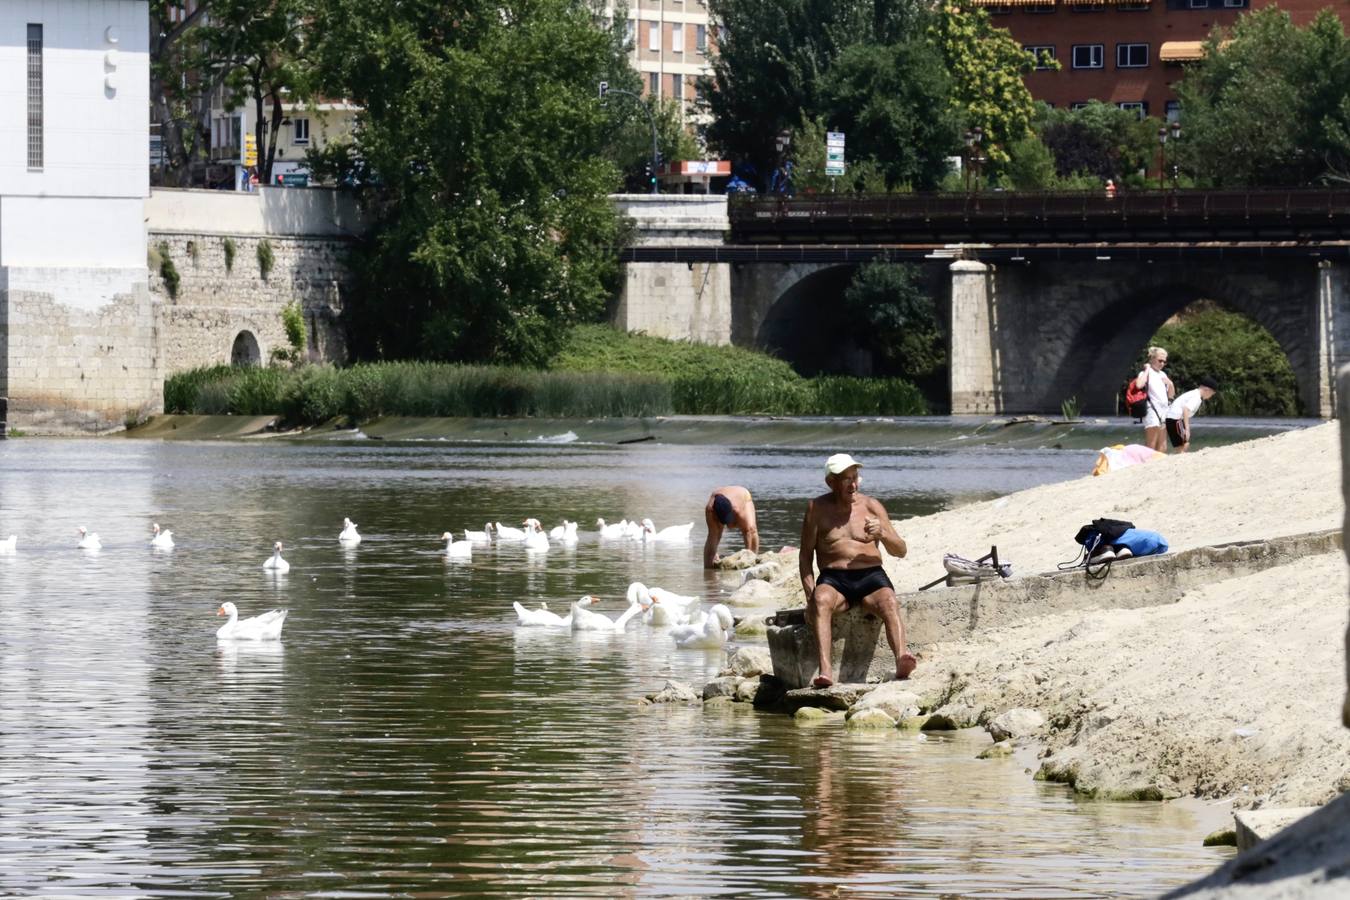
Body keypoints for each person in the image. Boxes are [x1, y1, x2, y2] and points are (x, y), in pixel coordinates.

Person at [799, 453, 916, 687]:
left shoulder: (871, 506)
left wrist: (882, 533)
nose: (852, 484)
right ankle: (826, 672)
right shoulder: (816, 508)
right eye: (846, 479)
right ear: (831, 482)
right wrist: (810, 594)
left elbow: (900, 550)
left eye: (855, 477)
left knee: (889, 601)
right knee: (822, 600)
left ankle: (902, 658)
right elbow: (805, 556)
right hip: (834, 579)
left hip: (870, 576)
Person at [703, 486, 760, 568]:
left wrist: (748, 556)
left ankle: (753, 561)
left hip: (743, 495)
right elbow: (712, 536)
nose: (728, 526)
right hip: (720, 503)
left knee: (751, 529)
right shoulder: (710, 510)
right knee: (713, 535)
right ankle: (708, 569)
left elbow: (747, 532)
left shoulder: (737, 509)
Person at [1134, 346, 1175, 454]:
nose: (1162, 364)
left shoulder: (1163, 374)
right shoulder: (1145, 373)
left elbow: (1171, 395)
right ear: (1152, 359)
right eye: (1160, 360)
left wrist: (1170, 384)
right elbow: (1139, 385)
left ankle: (1158, 466)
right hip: (1151, 408)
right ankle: (1147, 464)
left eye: (1164, 362)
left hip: (1164, 409)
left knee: (1163, 445)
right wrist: (1147, 369)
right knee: (1151, 443)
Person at [1165, 377, 1219, 453]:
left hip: (1171, 418)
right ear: (1207, 390)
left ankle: (1178, 457)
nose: (1210, 397)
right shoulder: (1196, 397)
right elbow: (1185, 409)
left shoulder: (1194, 393)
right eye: (1212, 394)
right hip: (1176, 419)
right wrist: (1187, 429)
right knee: (1184, 443)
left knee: (1180, 445)